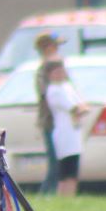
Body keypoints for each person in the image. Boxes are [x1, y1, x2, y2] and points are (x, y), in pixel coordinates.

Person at [45, 61, 88, 197]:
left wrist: (82, 107)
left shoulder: (67, 87)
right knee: (66, 170)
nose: (60, 74)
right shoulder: (54, 91)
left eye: (61, 71)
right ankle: (65, 196)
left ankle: (71, 196)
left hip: (74, 131)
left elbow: (82, 104)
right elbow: (76, 108)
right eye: (56, 72)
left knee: (73, 168)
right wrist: (81, 108)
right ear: (49, 74)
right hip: (64, 133)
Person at [35, 32, 66, 194]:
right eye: (55, 46)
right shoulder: (43, 71)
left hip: (61, 121)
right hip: (51, 122)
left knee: (60, 163)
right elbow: (46, 95)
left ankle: (52, 194)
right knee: (54, 164)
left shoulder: (57, 67)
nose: (58, 50)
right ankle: (45, 194)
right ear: (47, 48)